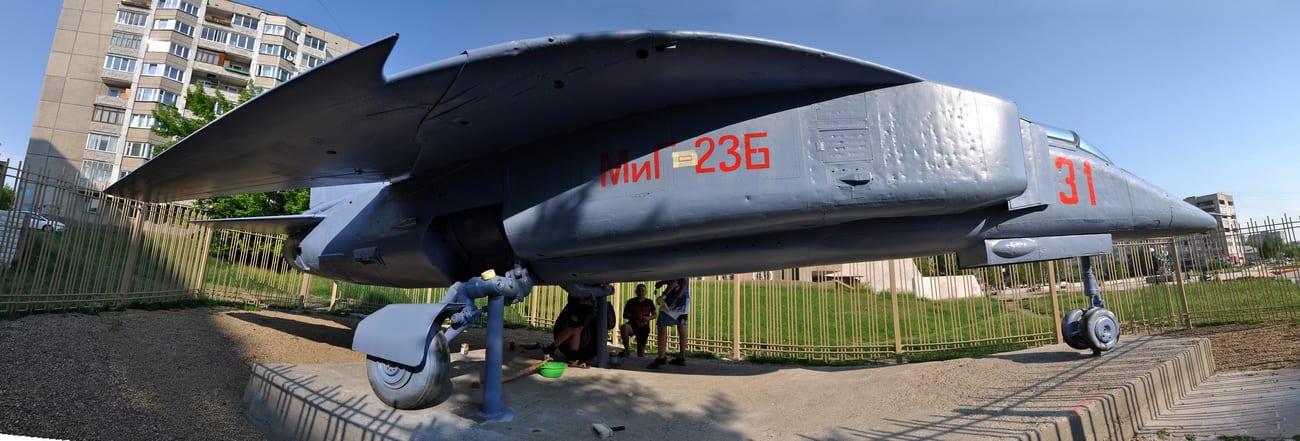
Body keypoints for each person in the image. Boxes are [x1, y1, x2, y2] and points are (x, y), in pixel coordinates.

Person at [648, 278, 690, 368]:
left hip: (673, 299)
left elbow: (674, 279)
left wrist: (664, 295)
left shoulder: (675, 268)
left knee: (662, 326)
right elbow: (683, 281)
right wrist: (663, 282)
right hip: (684, 300)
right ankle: (682, 357)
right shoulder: (687, 269)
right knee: (681, 327)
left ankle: (661, 357)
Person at [619, 283, 656, 357]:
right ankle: (627, 350)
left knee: (640, 353)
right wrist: (635, 317)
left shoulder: (649, 302)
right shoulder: (631, 302)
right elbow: (625, 315)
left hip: (644, 327)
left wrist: (647, 318)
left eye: (643, 291)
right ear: (636, 292)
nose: (641, 293)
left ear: (646, 292)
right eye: (639, 291)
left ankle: (640, 357)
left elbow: (655, 314)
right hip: (632, 325)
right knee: (624, 327)